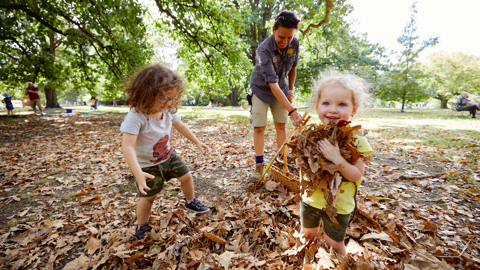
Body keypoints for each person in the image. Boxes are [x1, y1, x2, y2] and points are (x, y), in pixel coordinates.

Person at [120, 64, 211, 240]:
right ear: (146, 94)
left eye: (172, 99)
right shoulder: (136, 116)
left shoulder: (168, 110)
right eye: (163, 98)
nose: (168, 103)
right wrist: (138, 173)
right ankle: (142, 226)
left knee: (186, 177)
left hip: (169, 156)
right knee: (148, 198)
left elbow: (181, 126)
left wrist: (198, 142)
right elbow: (128, 146)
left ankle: (191, 202)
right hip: (148, 166)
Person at [299, 70, 373, 256]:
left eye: (341, 104)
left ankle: (340, 264)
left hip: (338, 205)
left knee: (334, 243)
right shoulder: (310, 135)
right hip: (310, 200)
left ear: (353, 109)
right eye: (326, 103)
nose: (332, 109)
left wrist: (338, 159)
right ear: (316, 107)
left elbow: (357, 174)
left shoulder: (357, 140)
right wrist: (301, 159)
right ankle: (305, 259)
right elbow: (305, 164)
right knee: (307, 235)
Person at [248, 10, 303, 182]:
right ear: (273, 30)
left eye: (289, 38)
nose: (285, 42)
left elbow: (293, 68)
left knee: (281, 126)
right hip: (261, 90)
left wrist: (291, 91)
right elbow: (272, 85)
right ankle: (259, 166)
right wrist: (292, 110)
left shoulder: (294, 43)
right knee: (259, 127)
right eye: (281, 37)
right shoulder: (264, 49)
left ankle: (282, 162)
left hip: (282, 88)